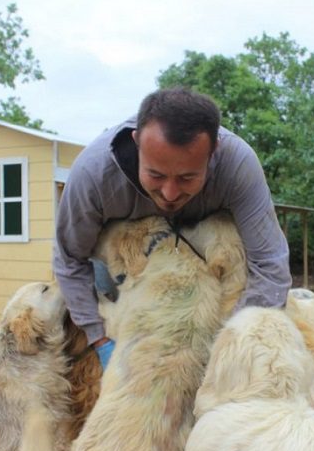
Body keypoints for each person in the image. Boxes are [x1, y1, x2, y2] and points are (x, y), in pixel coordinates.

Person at [54, 87, 291, 369]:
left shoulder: (237, 165)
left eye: (187, 178)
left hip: (206, 277)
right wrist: (99, 339)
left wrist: (234, 343)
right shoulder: (92, 175)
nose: (169, 193)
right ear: (137, 142)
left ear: (213, 152)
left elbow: (269, 263)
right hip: (120, 273)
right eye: (155, 175)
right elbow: (70, 259)